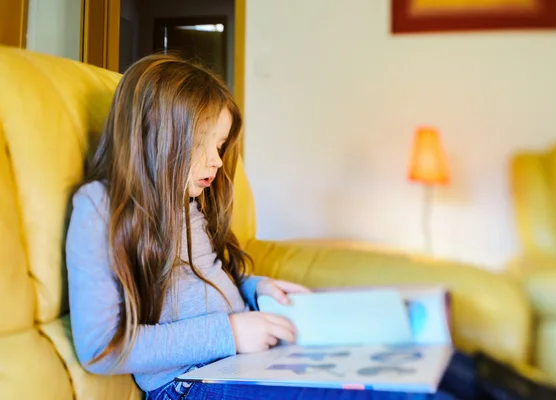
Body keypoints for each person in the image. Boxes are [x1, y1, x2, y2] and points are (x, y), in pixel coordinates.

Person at [65, 54, 456, 400]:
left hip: (241, 362)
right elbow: (103, 347)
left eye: (219, 146)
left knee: (439, 370)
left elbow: (208, 280)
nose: (217, 162)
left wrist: (255, 290)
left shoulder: (189, 201)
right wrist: (230, 333)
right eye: (203, 143)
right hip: (186, 384)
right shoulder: (99, 208)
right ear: (154, 137)